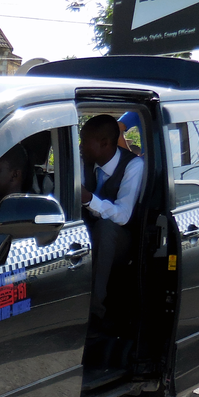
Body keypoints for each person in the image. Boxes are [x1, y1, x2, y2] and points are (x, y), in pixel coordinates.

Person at [80, 113, 145, 321]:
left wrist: (89, 199)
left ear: (105, 143)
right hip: (88, 232)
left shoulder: (133, 166)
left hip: (120, 239)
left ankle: (94, 310)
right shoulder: (85, 161)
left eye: (84, 142)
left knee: (105, 228)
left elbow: (123, 215)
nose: (80, 146)